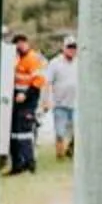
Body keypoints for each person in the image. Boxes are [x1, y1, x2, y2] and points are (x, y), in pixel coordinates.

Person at [8, 30, 47, 175]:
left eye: (22, 43)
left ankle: (30, 163)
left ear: (26, 44)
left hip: (28, 99)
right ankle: (17, 164)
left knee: (24, 132)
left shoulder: (32, 59)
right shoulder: (17, 58)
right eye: (17, 44)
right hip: (16, 99)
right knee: (14, 133)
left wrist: (25, 94)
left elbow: (38, 81)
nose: (20, 46)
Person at [47, 34, 79, 159]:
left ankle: (71, 151)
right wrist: (47, 100)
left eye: (74, 47)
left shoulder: (79, 62)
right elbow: (48, 82)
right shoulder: (55, 63)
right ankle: (60, 155)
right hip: (60, 103)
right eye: (69, 47)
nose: (72, 50)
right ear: (64, 48)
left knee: (77, 133)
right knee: (60, 132)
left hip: (76, 103)